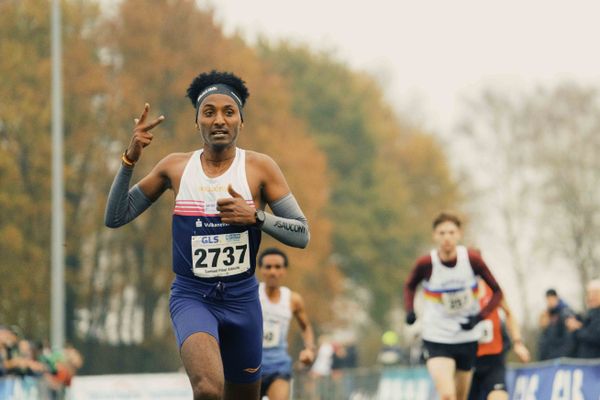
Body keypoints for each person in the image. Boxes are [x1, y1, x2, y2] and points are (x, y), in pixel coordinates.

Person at [105, 70, 310, 400]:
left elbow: (302, 234)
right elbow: (115, 217)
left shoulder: (260, 168)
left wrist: (256, 217)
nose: (219, 120)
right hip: (193, 296)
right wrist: (130, 158)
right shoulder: (175, 167)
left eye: (229, 112)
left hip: (243, 299)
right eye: (209, 112)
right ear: (196, 120)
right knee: (208, 390)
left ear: (241, 121)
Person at [404, 212, 503, 400]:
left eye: (451, 232)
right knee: (447, 395)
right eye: (441, 233)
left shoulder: (472, 260)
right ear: (434, 236)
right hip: (437, 336)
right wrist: (410, 310)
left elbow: (498, 292)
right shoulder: (426, 263)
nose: (446, 238)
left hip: (466, 337)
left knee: (460, 397)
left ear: (459, 234)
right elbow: (409, 285)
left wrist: (479, 317)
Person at [257, 247, 315, 400]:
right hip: (250, 366)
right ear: (260, 270)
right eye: (268, 267)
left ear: (284, 270)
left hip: (278, 366)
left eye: (278, 267)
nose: (273, 272)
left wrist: (309, 349)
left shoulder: (293, 299)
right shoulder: (251, 296)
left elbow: (306, 327)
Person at [468, 279, 530, 400]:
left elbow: (509, 314)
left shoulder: (493, 289)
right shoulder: (458, 290)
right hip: (467, 360)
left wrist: (518, 343)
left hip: (494, 359)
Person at [565, 279, 600, 358]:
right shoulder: (586, 315)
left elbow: (596, 337)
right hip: (584, 364)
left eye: (595, 294)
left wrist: (577, 329)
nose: (591, 297)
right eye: (589, 294)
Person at [537, 288, 575, 360]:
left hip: (561, 359)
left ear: (556, 298)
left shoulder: (565, 313)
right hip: (549, 359)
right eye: (547, 300)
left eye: (551, 299)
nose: (549, 302)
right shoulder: (548, 314)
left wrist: (562, 357)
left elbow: (569, 340)